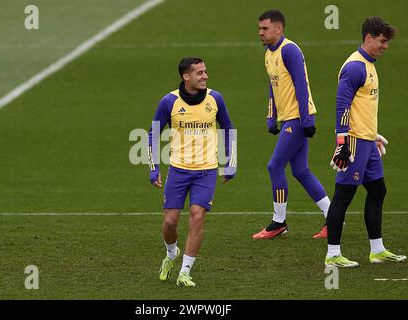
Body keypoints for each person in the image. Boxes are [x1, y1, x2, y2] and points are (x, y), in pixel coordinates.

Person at [325, 17, 406, 267]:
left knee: (377, 190)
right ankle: (332, 255)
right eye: (382, 41)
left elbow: (362, 107)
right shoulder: (355, 67)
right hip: (355, 142)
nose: (385, 46)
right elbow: (342, 105)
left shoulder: (370, 64)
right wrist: (343, 141)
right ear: (368, 38)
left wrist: (373, 133)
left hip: (367, 141)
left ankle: (377, 250)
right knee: (343, 195)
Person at [148, 57, 236, 287]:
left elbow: (229, 128)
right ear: (186, 77)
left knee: (197, 218)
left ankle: (185, 271)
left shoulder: (215, 99)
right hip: (178, 170)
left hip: (206, 171)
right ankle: (171, 254)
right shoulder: (169, 102)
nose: (205, 76)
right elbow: (153, 133)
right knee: (170, 222)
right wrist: (153, 167)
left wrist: (231, 163)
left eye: (206, 71)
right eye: (200, 73)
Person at [252, 9, 330, 240]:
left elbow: (302, 85)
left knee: (274, 166)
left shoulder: (290, 50)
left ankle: (278, 222)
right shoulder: (268, 53)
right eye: (259, 29)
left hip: (297, 118)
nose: (261, 33)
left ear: (279, 28)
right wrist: (270, 115)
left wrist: (307, 120)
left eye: (265, 29)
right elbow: (272, 87)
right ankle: (333, 217)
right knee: (300, 170)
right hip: (287, 117)